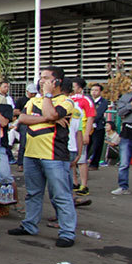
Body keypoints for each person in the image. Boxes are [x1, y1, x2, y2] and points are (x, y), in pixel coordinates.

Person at [8, 65, 79, 247]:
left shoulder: (66, 101)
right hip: (32, 154)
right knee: (33, 193)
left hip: (54, 155)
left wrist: (48, 100)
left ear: (57, 81)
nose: (41, 81)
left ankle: (67, 232)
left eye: (46, 78)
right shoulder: (33, 101)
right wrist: (49, 119)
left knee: (60, 195)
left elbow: (51, 112)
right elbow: (23, 119)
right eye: (41, 77)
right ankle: (30, 225)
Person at [69, 78, 94, 196]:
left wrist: (86, 134)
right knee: (72, 160)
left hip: (81, 133)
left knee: (82, 160)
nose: (72, 88)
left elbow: (90, 117)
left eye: (74, 86)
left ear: (79, 88)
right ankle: (75, 182)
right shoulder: (69, 99)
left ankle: (84, 185)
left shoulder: (86, 100)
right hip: (71, 135)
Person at [112, 81, 132, 195]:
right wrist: (130, 106)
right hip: (127, 130)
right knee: (124, 162)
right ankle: (123, 186)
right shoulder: (126, 97)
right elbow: (120, 112)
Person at [87, 83, 107, 170]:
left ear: (100, 92)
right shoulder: (88, 100)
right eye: (92, 90)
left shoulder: (103, 101)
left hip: (98, 126)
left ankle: (94, 164)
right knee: (86, 144)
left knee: (97, 145)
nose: (94, 92)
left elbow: (98, 113)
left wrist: (91, 119)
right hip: (87, 126)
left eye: (96, 90)